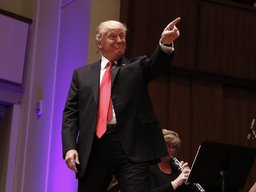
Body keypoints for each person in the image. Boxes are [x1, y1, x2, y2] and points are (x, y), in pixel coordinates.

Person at [62, 17, 181, 192]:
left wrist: (164, 43)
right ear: (99, 43)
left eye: (122, 36)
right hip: (94, 146)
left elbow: (156, 65)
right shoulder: (82, 75)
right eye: (113, 36)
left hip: (131, 147)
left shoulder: (136, 67)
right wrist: (70, 147)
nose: (119, 40)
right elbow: (70, 114)